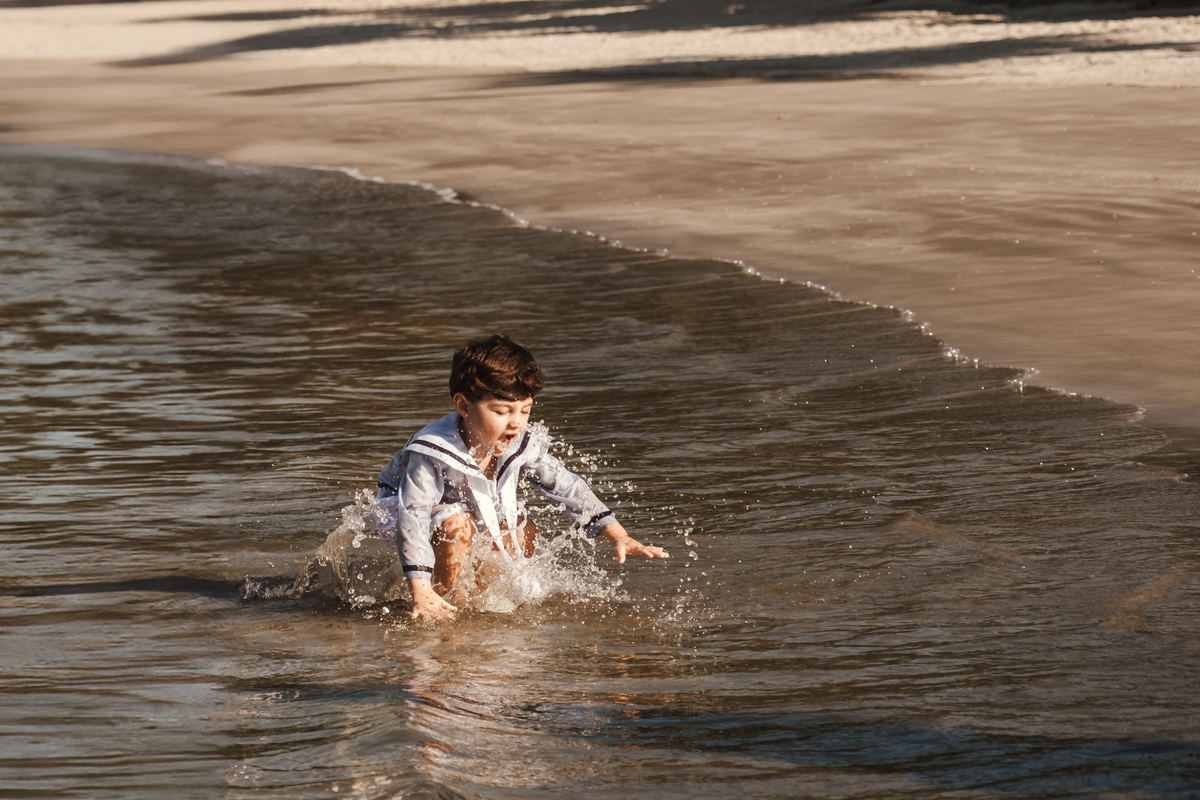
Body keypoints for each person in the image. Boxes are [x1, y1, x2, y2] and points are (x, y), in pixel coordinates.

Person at [375, 334, 669, 621]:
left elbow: (566, 485)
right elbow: (413, 515)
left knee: (520, 530)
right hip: (401, 513)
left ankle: (481, 598)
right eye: (502, 411)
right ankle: (447, 607)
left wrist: (619, 534)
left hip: (465, 509)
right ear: (464, 406)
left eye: (524, 410)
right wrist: (420, 588)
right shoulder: (431, 452)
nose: (516, 422)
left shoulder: (519, 442)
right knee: (456, 524)